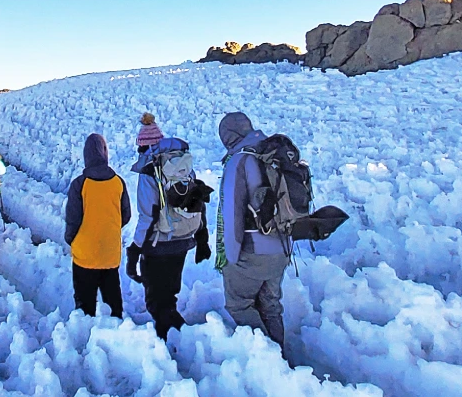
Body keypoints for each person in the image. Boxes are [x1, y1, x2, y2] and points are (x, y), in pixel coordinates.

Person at [217, 112, 292, 348]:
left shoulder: (239, 161)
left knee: (239, 305)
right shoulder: (273, 153)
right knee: (270, 306)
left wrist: (230, 259)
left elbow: (232, 214)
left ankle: (269, 360)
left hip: (252, 252)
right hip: (283, 246)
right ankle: (281, 356)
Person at [127, 137, 212, 339]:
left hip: (158, 245)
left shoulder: (151, 170)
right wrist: (202, 237)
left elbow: (148, 215)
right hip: (183, 239)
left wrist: (135, 250)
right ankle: (177, 341)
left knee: (156, 302)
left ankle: (178, 344)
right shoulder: (183, 163)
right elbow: (196, 200)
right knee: (169, 297)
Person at [64, 134, 131, 318]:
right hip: (110, 254)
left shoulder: (80, 184)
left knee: (85, 306)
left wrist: (72, 240)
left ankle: (86, 335)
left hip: (84, 255)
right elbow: (126, 215)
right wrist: (109, 229)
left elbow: (73, 219)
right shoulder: (118, 182)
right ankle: (118, 331)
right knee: (113, 301)